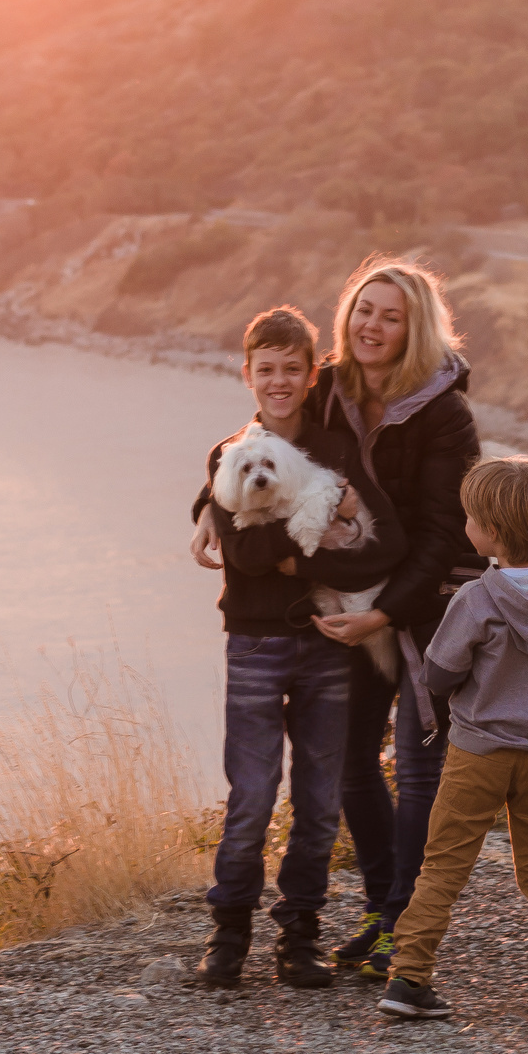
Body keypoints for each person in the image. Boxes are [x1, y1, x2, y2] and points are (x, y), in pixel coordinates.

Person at [189, 307, 405, 989]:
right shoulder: (228, 455)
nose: (278, 382)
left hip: (324, 647)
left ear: (313, 375)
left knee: (318, 801)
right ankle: (228, 933)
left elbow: (390, 543)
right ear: (245, 374)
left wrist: (294, 555)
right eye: (265, 370)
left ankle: (300, 935)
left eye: (292, 370)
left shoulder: (336, 452)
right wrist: (302, 542)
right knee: (252, 796)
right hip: (253, 645)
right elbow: (245, 556)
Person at [378, 455, 528, 1021]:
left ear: (488, 532)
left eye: (469, 517)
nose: (465, 525)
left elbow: (437, 675)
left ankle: (410, 978)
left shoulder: (476, 599)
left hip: (478, 752)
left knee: (444, 864)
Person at [306, 258, 486, 982]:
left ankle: (409, 925)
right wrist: (208, 504)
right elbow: (263, 445)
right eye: (362, 309)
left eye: (390, 315)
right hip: (352, 599)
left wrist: (385, 611)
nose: (370, 325)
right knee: (347, 761)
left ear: (415, 329)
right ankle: (383, 906)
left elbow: (444, 534)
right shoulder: (329, 388)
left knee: (417, 768)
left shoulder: (445, 413)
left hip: (428, 603)